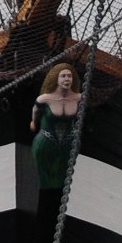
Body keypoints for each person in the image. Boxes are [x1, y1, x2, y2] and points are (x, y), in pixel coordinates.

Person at [30, 64, 81, 192]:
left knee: (64, 175)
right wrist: (34, 123)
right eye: (63, 76)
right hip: (45, 141)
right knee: (43, 175)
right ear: (56, 79)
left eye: (69, 76)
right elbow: (35, 111)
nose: (67, 79)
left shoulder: (79, 98)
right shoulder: (44, 99)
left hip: (69, 143)